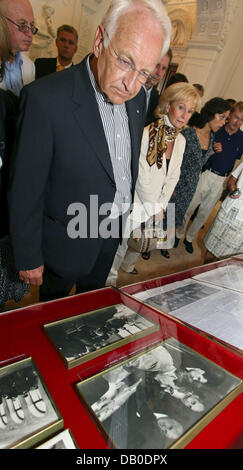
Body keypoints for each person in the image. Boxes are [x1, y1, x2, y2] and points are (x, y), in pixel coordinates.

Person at [8, 0, 171, 302]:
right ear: (99, 41)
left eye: (145, 74)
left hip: (111, 235)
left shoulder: (138, 100)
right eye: (125, 61)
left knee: (91, 310)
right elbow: (25, 188)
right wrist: (28, 254)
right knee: (52, 317)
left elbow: (121, 169)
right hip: (64, 242)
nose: (131, 84)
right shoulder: (45, 99)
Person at [106, 82, 200, 284]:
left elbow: (173, 176)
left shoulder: (181, 140)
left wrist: (162, 205)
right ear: (168, 106)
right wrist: (153, 205)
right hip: (137, 200)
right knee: (122, 241)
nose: (184, 115)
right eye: (181, 107)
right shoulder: (148, 133)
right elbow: (141, 175)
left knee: (146, 239)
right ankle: (110, 279)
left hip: (157, 205)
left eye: (190, 111)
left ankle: (128, 266)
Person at [174, 101, 242, 253]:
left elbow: (237, 160)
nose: (238, 122)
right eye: (236, 117)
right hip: (205, 174)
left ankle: (190, 238)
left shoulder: (241, 138)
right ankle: (178, 234)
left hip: (222, 180)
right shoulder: (215, 130)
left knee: (204, 213)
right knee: (190, 207)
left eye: (242, 120)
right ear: (230, 116)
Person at [204, 161, 243, 262]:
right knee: (211, 247)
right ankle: (202, 273)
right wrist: (233, 189)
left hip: (241, 223)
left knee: (229, 259)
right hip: (227, 210)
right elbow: (232, 180)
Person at [0, 0, 36, 96]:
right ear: (2, 23)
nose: (30, 34)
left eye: (32, 26)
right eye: (22, 24)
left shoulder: (30, 66)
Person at [144, 48, 172, 126]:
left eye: (163, 68)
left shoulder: (158, 101)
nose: (159, 73)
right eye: (156, 65)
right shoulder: (129, 89)